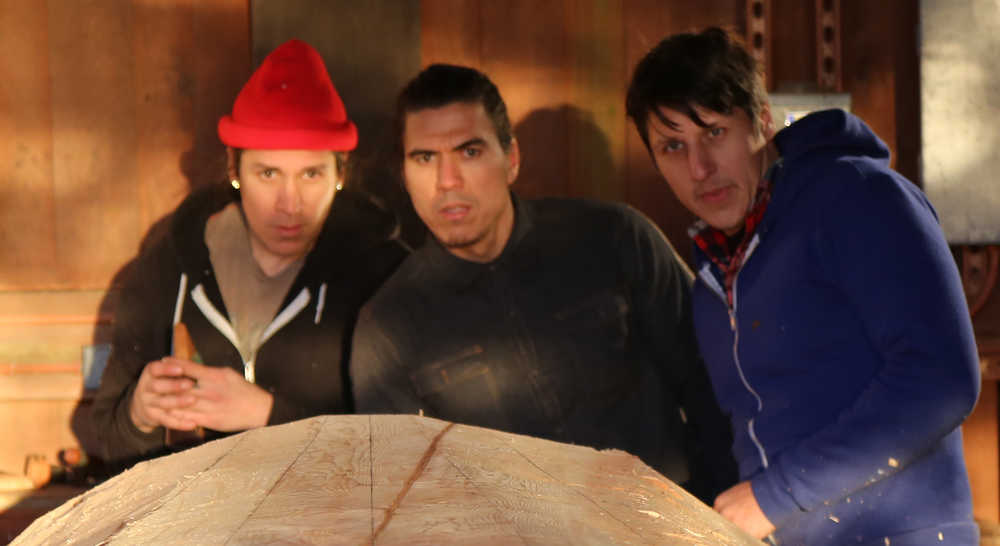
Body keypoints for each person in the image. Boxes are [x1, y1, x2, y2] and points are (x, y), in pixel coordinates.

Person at [625, 27, 980, 544]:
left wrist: (774, 496)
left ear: (762, 121)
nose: (699, 168)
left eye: (715, 132)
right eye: (673, 146)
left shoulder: (859, 197)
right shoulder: (710, 286)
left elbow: (942, 378)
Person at [349, 64, 736, 502]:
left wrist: (721, 512)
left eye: (469, 152)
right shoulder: (388, 325)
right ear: (404, 174)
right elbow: (398, 494)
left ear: (511, 159)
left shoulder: (614, 238)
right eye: (425, 158)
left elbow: (714, 384)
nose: (447, 182)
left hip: (668, 521)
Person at [91, 39, 406, 467]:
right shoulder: (166, 269)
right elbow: (107, 440)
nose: (290, 203)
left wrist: (267, 415)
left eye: (311, 174)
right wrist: (139, 414)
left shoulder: (385, 274)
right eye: (268, 173)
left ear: (339, 173)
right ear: (234, 169)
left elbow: (405, 448)